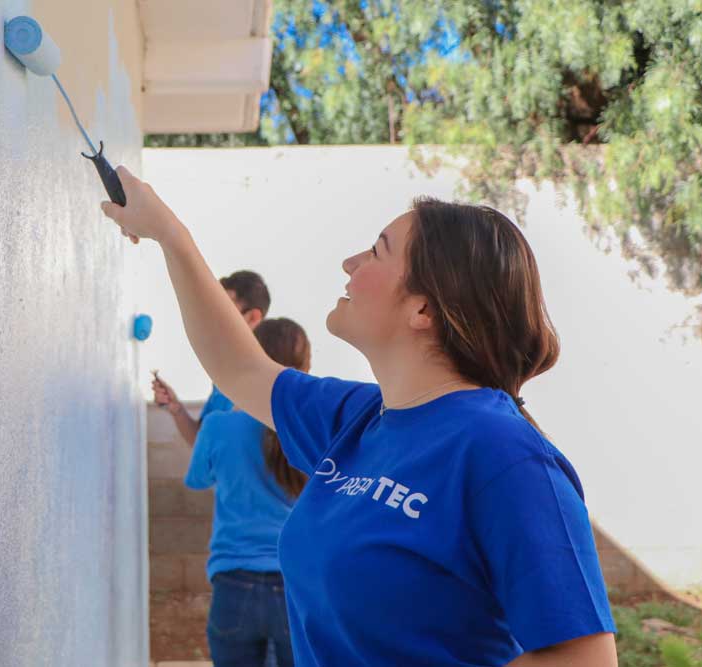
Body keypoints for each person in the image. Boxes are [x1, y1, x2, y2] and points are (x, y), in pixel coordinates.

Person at [103, 167, 618, 667]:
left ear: (424, 311)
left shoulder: (505, 456)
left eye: (376, 251)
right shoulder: (357, 418)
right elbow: (239, 367)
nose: (350, 263)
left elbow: (584, 658)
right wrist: (169, 235)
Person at [185, 318, 310, 667]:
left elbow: (197, 479)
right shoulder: (313, 429)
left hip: (233, 587)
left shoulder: (219, 425)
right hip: (296, 590)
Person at [152, 270, 271, 445]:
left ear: (253, 317)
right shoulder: (225, 368)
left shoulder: (263, 378)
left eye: (225, 310)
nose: (215, 317)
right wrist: (176, 409)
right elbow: (200, 441)